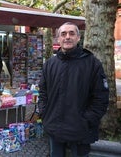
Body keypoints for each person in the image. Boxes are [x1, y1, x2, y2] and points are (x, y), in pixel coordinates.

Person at [38, 22, 109, 157]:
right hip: (54, 127)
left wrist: (86, 120)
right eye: (63, 34)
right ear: (58, 39)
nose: (67, 37)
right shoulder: (50, 64)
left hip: (80, 129)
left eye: (72, 33)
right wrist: (44, 113)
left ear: (78, 38)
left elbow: (101, 97)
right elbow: (43, 92)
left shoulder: (92, 63)